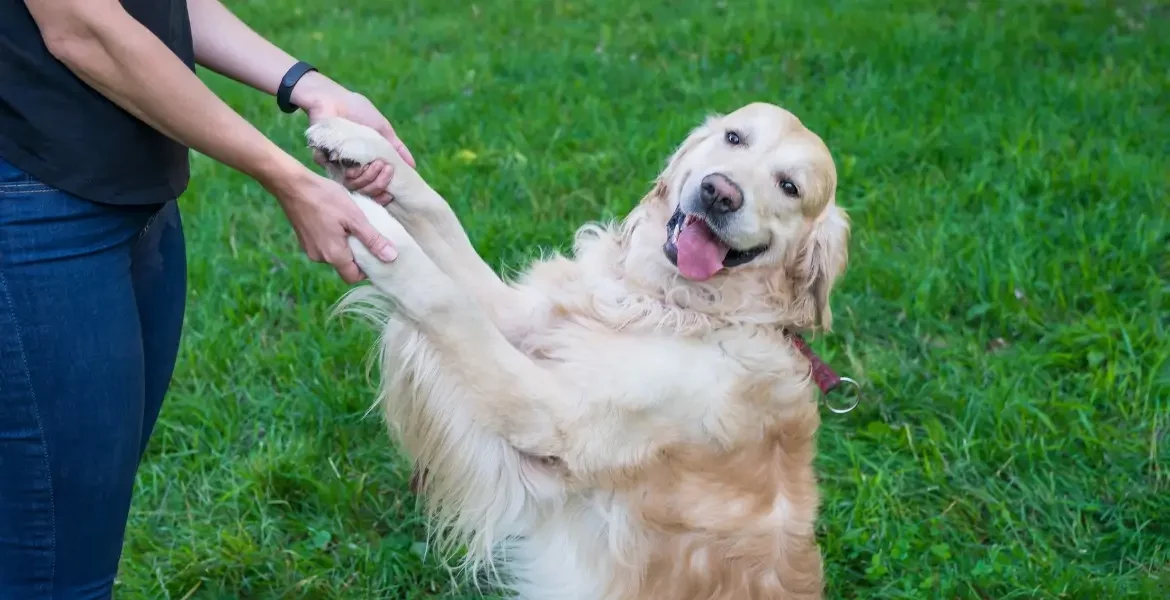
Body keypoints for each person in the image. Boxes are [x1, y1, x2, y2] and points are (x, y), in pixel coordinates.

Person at [0, 0, 410, 596]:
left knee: (68, 529)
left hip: (133, 197)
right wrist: (288, 179)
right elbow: (82, 28)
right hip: (32, 204)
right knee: (58, 569)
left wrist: (306, 84)